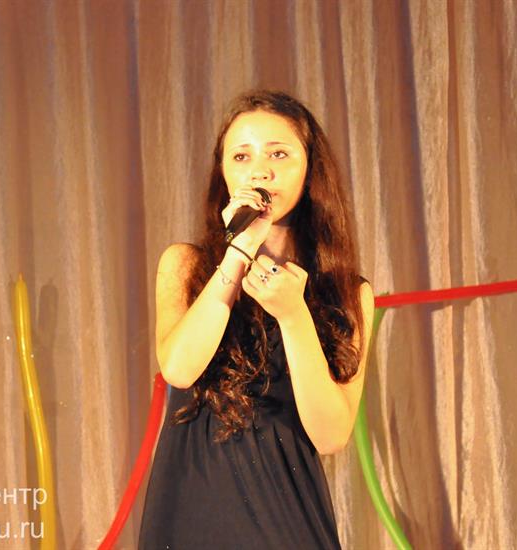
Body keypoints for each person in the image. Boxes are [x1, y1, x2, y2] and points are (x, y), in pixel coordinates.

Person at [138, 90, 374, 550]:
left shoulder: (347, 292)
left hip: (284, 518)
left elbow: (331, 436)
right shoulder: (186, 266)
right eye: (242, 156)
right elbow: (179, 368)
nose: (260, 170)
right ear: (224, 173)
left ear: (310, 170)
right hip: (188, 513)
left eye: (278, 154)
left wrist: (294, 314)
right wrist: (239, 250)